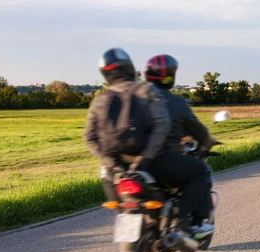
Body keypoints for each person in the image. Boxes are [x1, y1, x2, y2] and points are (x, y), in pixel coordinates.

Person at [85, 48, 214, 240]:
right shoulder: (147, 92)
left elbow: (90, 137)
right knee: (200, 172)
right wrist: (145, 157)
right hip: (153, 160)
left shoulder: (100, 99)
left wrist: (111, 162)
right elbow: (162, 125)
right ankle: (183, 223)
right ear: (130, 68)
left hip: (116, 168)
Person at [144, 54, 219, 237]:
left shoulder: (135, 97)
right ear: (171, 77)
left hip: (132, 160)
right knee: (200, 171)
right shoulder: (176, 102)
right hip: (161, 159)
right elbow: (199, 131)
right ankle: (184, 222)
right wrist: (207, 142)